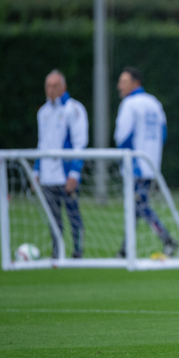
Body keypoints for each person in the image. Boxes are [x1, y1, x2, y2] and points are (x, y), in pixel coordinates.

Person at [114, 67, 178, 257]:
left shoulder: (130, 104)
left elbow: (122, 137)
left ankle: (168, 239)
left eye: (123, 81)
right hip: (151, 163)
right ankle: (125, 250)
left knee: (139, 205)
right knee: (136, 206)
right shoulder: (154, 103)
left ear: (135, 83)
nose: (119, 86)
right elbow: (163, 134)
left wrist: (123, 160)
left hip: (134, 164)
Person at [33, 70, 88, 259]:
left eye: (55, 85)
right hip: (48, 175)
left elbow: (80, 143)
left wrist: (75, 172)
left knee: (73, 214)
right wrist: (36, 170)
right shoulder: (44, 112)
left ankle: (78, 251)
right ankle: (57, 252)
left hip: (65, 175)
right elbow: (42, 144)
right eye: (48, 86)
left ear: (63, 87)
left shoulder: (73, 109)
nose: (51, 90)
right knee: (53, 217)